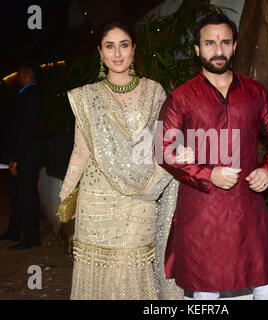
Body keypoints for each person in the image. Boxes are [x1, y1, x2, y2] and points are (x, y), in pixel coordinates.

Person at [157, 13, 268, 300]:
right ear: (197, 49)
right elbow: (163, 150)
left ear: (234, 47)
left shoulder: (256, 93)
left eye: (225, 43)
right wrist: (209, 175)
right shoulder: (181, 97)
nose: (218, 51)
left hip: (249, 208)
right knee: (205, 294)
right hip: (202, 212)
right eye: (209, 43)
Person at [59, 20, 191, 300]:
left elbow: (163, 144)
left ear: (134, 49)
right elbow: (80, 151)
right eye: (110, 46)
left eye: (124, 45)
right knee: (100, 273)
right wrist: (66, 193)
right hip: (96, 199)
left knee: (132, 269)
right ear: (100, 52)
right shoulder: (88, 97)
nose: (117, 54)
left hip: (140, 200)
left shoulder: (155, 92)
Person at [0, 61, 47, 250]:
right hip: (26, 154)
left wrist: (15, 158)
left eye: (19, 74)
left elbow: (24, 131)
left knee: (26, 195)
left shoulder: (30, 97)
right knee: (19, 194)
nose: (17, 77)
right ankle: (14, 230)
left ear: (26, 76)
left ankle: (31, 237)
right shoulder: (29, 95)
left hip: (26, 156)